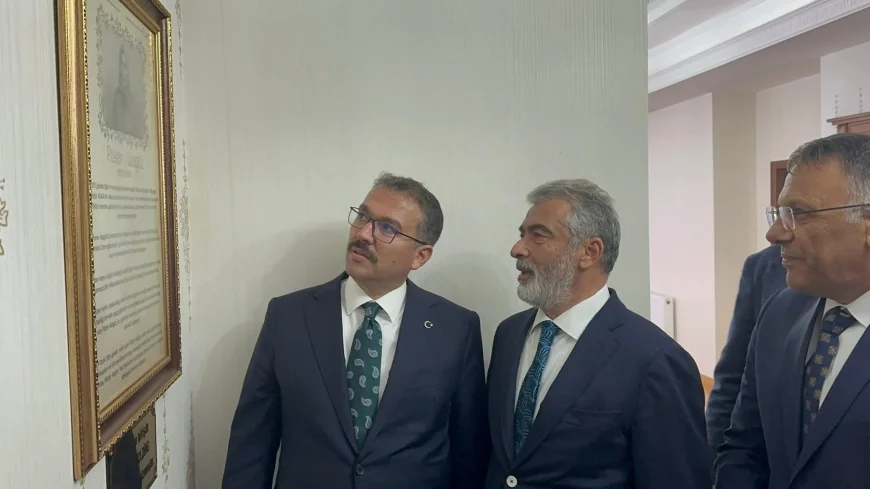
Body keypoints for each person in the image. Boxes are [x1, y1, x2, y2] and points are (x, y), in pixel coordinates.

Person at [222, 173, 489, 489]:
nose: (363, 233)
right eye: (363, 216)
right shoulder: (289, 316)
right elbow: (253, 441)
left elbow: (469, 452)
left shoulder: (456, 329)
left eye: (387, 228)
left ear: (420, 256)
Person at [485, 179, 710, 489]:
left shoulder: (655, 359)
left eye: (538, 235)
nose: (517, 249)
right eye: (522, 234)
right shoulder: (509, 334)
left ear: (589, 252)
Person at [715, 133, 870, 489]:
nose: (774, 234)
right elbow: (744, 446)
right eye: (780, 214)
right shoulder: (780, 312)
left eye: (799, 214)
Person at [706, 244, 786, 454]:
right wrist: (712, 457)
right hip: (762, 457)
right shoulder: (764, 265)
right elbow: (732, 374)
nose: (774, 234)